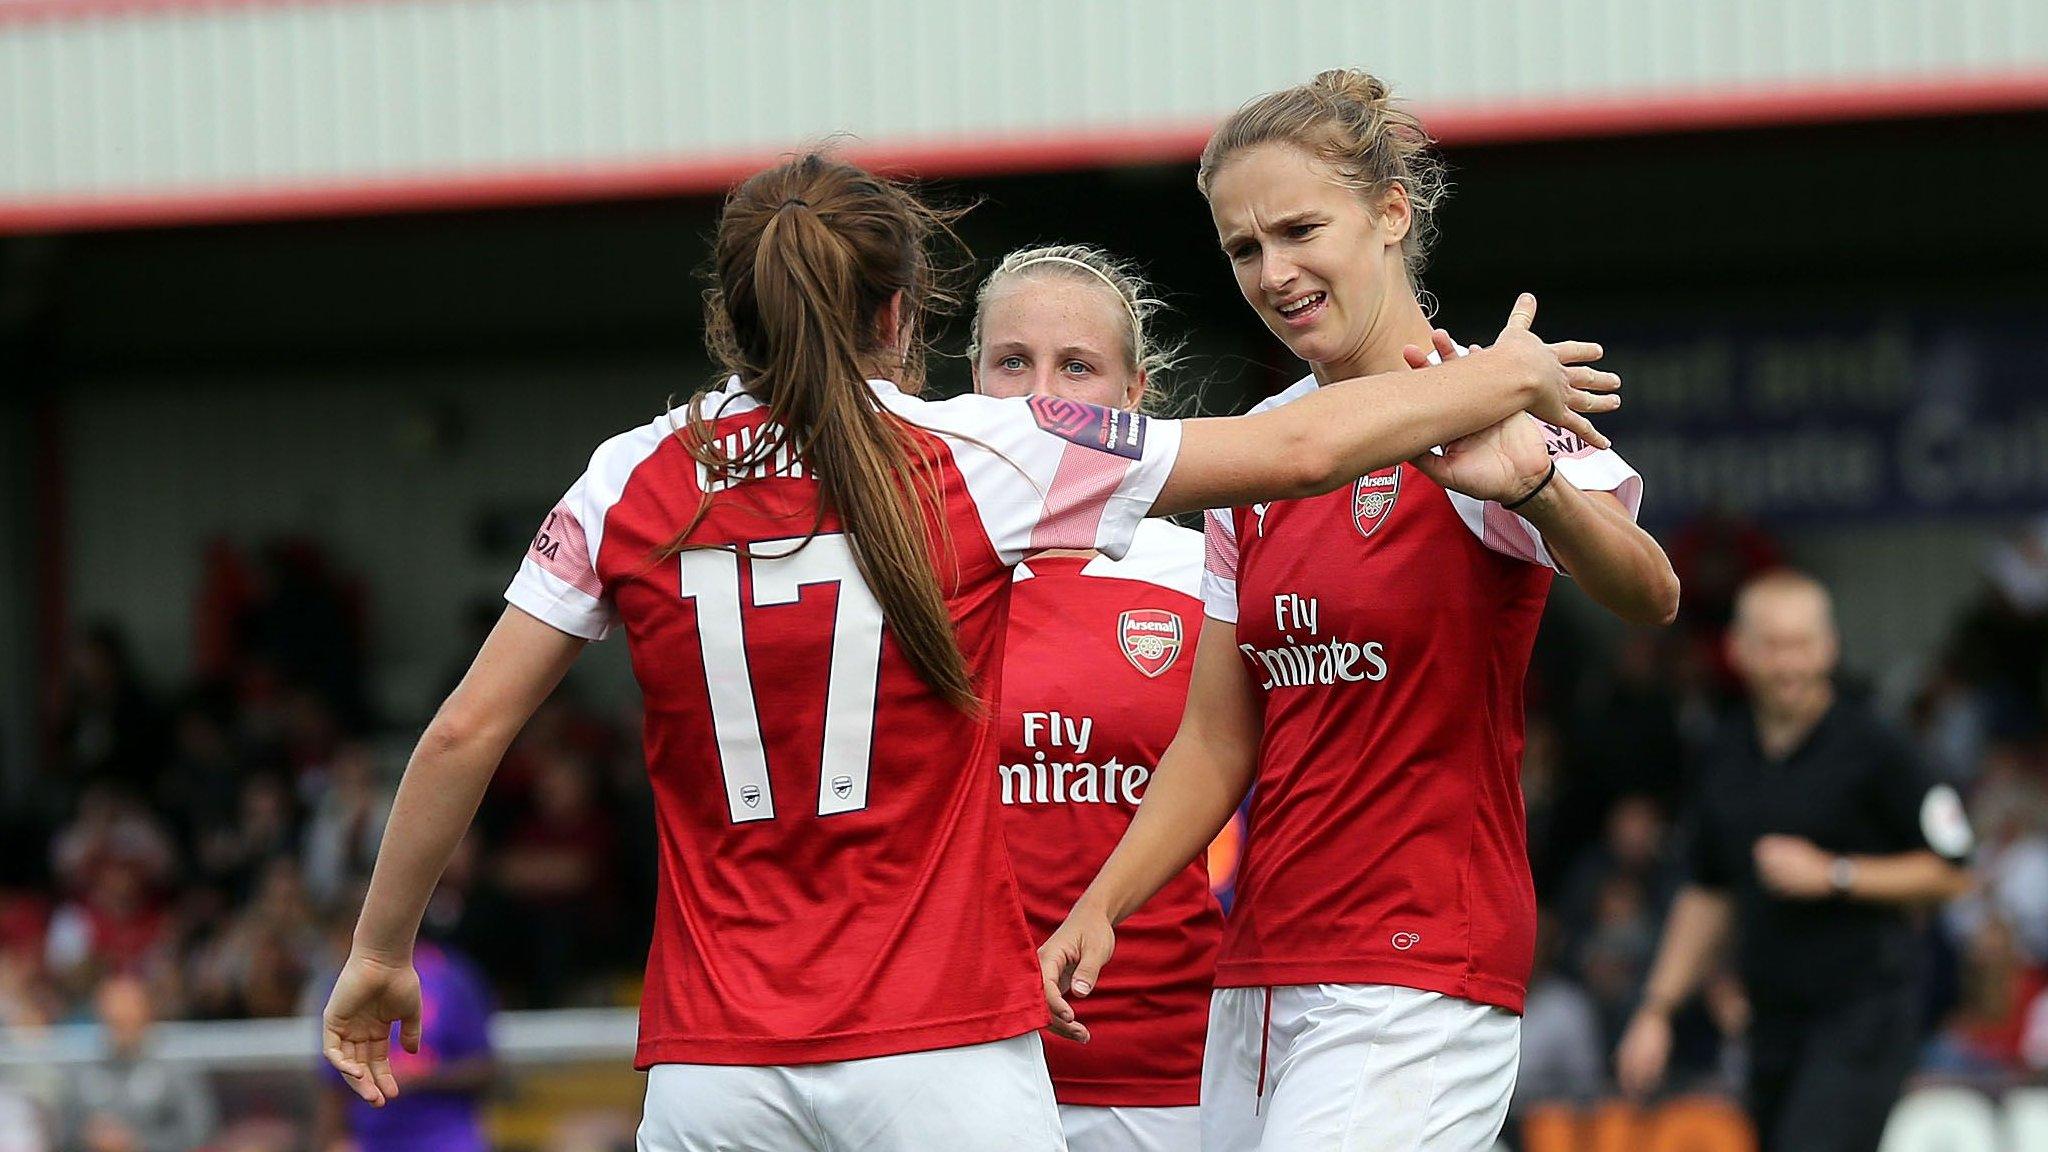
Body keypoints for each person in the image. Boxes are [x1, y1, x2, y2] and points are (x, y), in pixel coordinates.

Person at [320, 150, 1620, 1152]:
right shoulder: (976, 451)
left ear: (733, 316)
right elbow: (1294, 450)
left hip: (712, 1063)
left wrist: (380, 954)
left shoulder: (631, 477)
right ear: (904, 315)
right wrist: (1500, 379)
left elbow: (461, 734)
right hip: (934, 1049)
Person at [1038, 70, 1682, 1152]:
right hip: (1259, 968)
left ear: (1390, 214)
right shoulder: (1261, 448)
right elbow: (1216, 733)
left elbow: (1647, 590)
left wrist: (1527, 487)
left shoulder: (1485, 395)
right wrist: (1102, 901)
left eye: (1298, 229)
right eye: (1243, 250)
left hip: (1418, 970)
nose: (1273, 273)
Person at [970, 244, 1217, 1152]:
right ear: (970, 385)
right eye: (1013, 363)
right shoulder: (906, 573)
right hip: (953, 1065)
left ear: (1134, 394)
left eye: (1077, 365)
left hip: (1168, 1068)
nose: (1042, 394)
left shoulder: (1199, 573)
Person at [1615, 570, 1975, 1152]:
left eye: (1802, 645)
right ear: (1740, 650)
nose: (1789, 665)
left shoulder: (1877, 746)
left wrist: (1836, 874)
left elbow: (1954, 869)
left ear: (1829, 647)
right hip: (1770, 1018)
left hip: (1864, 1011)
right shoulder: (1723, 754)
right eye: (1774, 647)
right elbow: (1709, 892)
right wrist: (1657, 1010)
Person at [316, 941, 495, 1152]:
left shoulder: (452, 976)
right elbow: (334, 1084)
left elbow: (485, 1068)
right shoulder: (346, 981)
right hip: (372, 1137)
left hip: (446, 1135)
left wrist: (425, 1076)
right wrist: (334, 1140)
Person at [58, 974, 217, 1152]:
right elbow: (63, 1131)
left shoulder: (176, 1065)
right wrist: (88, 1136)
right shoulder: (83, 1068)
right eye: (113, 1019)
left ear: (147, 1012)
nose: (120, 1022)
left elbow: (198, 1131)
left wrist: (138, 1143)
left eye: (127, 1016)